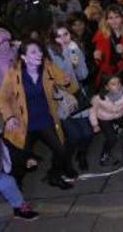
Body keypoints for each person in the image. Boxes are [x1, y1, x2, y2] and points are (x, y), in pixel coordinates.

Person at [0, 40, 77, 189]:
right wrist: (9, 117)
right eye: (33, 52)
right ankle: (16, 183)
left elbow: (69, 85)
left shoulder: (48, 67)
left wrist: (67, 81)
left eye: (40, 51)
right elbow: (2, 98)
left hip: (45, 120)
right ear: (24, 57)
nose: (39, 54)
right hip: (23, 123)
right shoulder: (13, 73)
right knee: (20, 157)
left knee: (61, 150)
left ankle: (54, 175)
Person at [47, 24, 93, 171]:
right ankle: (66, 163)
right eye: (58, 36)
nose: (63, 39)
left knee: (87, 133)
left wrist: (77, 56)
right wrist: (68, 53)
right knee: (73, 136)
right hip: (61, 99)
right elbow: (59, 76)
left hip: (77, 94)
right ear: (53, 39)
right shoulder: (50, 54)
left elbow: (82, 75)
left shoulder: (75, 48)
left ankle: (82, 154)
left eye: (65, 34)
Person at [90, 75, 123, 166]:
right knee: (111, 138)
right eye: (113, 84)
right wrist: (95, 124)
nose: (118, 85)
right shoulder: (98, 97)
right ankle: (105, 153)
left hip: (120, 114)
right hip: (104, 117)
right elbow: (92, 111)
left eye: (119, 83)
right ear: (106, 87)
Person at [92, 4, 123, 85]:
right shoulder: (102, 33)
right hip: (110, 72)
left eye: (117, 17)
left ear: (122, 18)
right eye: (110, 18)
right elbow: (100, 58)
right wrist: (98, 55)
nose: (114, 21)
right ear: (106, 20)